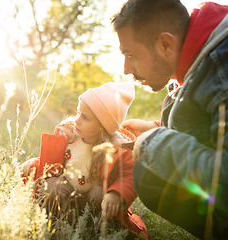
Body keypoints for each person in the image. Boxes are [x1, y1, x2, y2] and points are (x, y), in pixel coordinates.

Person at [111, 0, 228, 239]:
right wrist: (157, 127)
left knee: (150, 173)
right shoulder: (197, 59)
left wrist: (155, 143)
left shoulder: (221, 69)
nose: (125, 69)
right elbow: (210, 123)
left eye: (130, 54)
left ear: (165, 44)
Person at [20, 81, 148, 239]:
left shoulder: (115, 150)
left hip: (92, 200)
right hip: (66, 192)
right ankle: (59, 222)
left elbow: (129, 176)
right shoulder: (68, 138)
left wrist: (117, 193)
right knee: (51, 187)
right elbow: (51, 162)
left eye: (85, 117)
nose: (77, 120)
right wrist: (35, 164)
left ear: (102, 126)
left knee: (100, 194)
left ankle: (93, 225)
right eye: (78, 112)